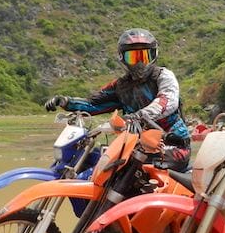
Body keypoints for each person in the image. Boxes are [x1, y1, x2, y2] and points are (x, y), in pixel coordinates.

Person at [45, 28, 191, 171]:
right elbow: (93, 103)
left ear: (154, 55)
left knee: (130, 168)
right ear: (123, 58)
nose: (140, 63)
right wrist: (65, 102)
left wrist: (138, 116)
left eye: (144, 56)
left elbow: (167, 101)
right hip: (135, 145)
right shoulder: (121, 86)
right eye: (133, 57)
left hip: (171, 145)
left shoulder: (163, 76)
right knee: (100, 161)